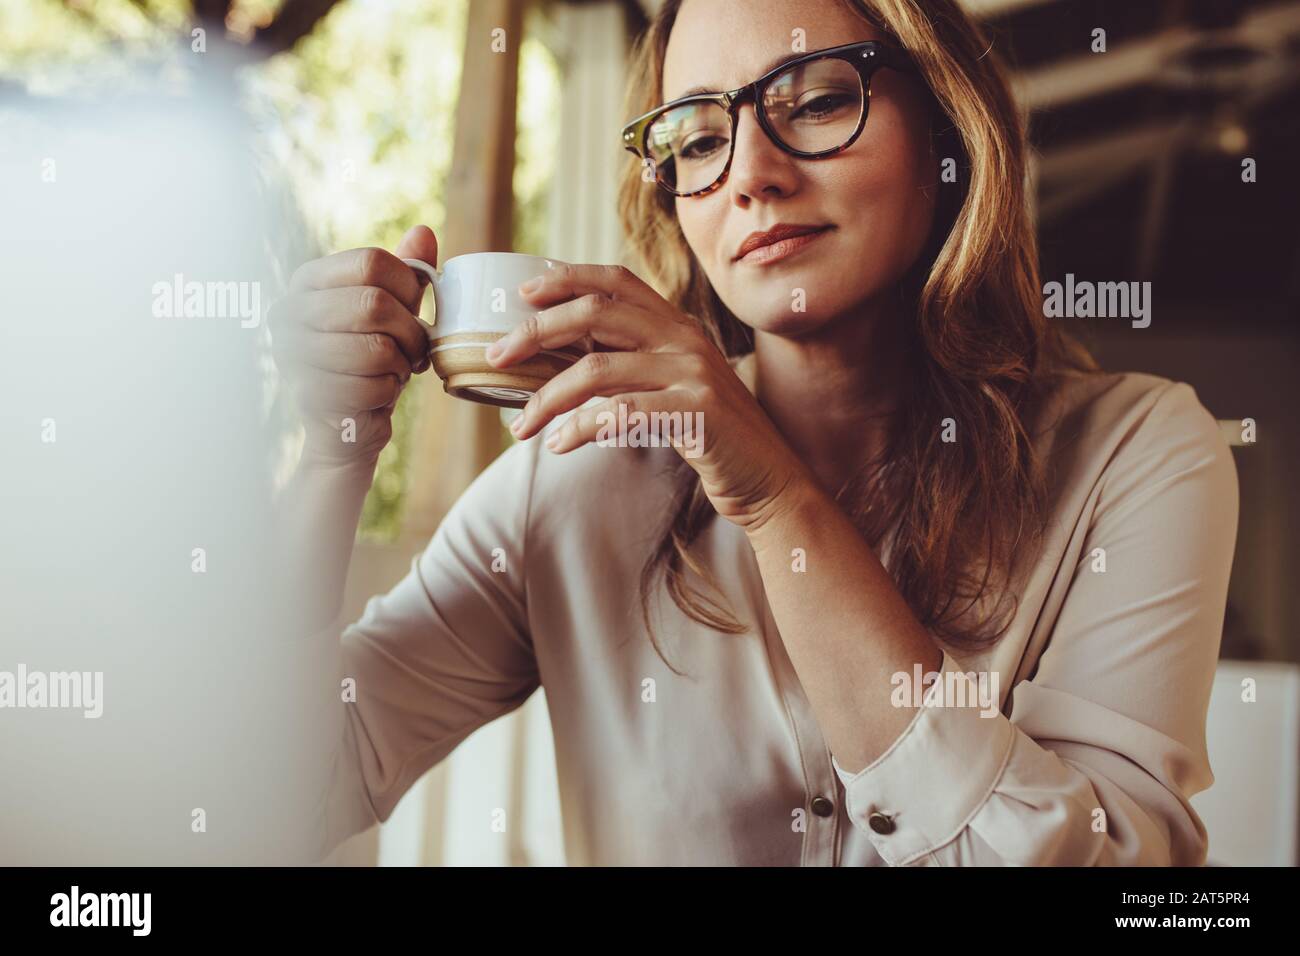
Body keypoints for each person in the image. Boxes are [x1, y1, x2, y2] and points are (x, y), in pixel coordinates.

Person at [270, 0, 1238, 865]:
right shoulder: (571, 478)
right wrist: (329, 456)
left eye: (817, 102)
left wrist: (776, 501)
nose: (750, 175)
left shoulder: (1136, 453)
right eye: (695, 139)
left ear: (948, 131)